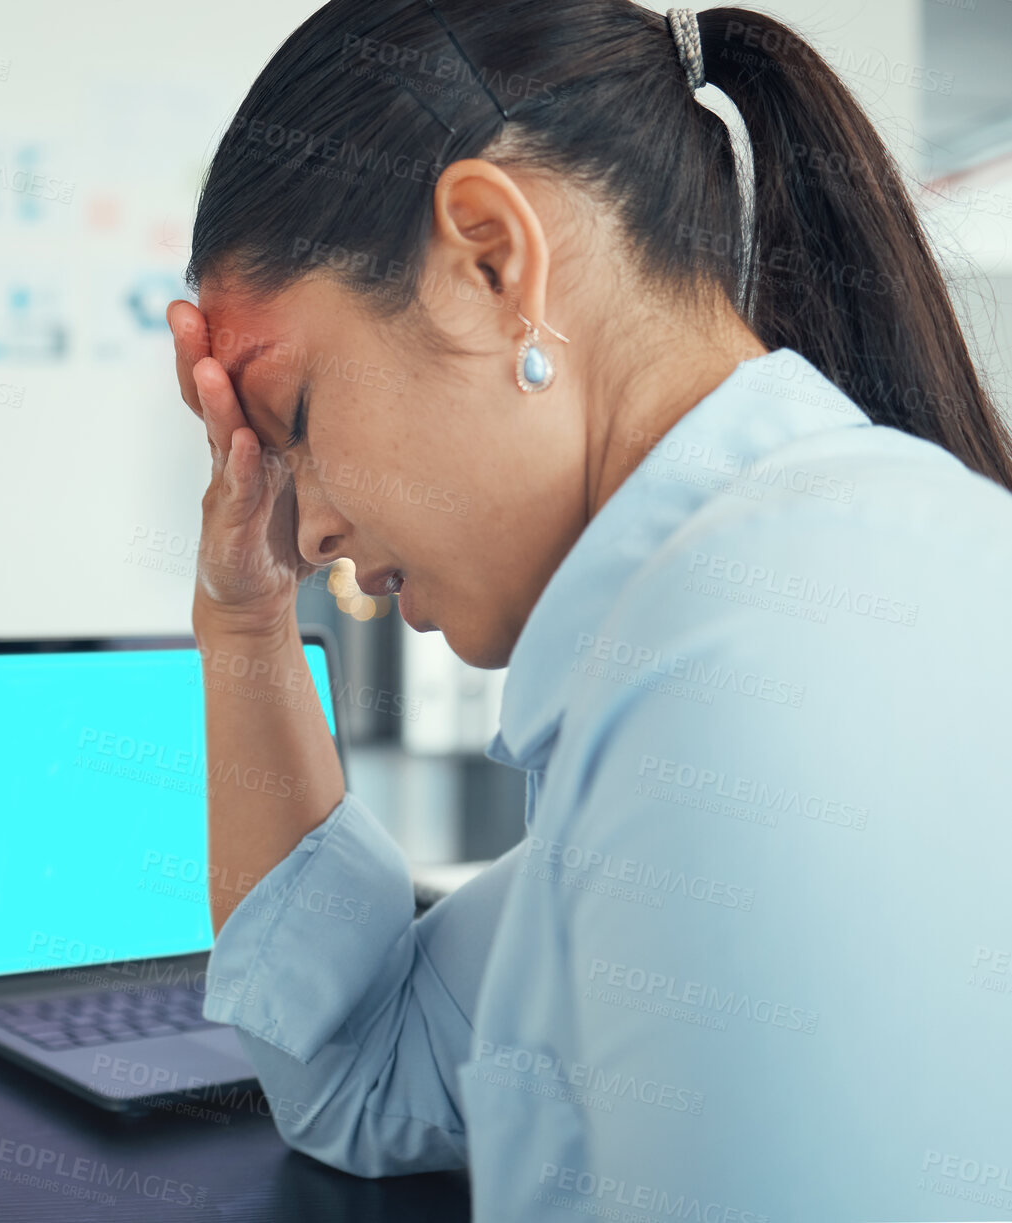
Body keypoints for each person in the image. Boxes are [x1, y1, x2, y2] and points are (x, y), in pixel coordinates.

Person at [165, 1, 1012, 1218]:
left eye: (291, 418)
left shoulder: (761, 675)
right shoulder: (710, 633)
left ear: (490, 260)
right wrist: (240, 623)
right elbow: (365, 1074)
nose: (305, 536)